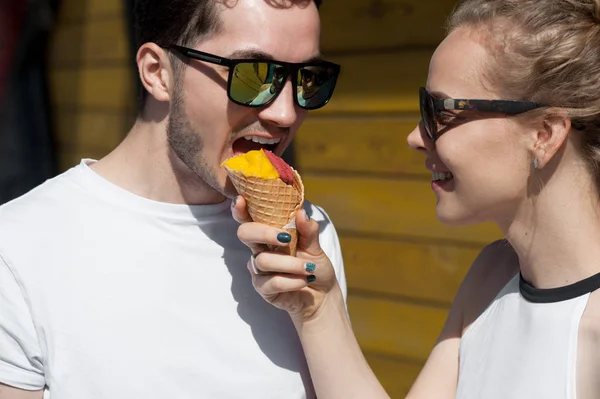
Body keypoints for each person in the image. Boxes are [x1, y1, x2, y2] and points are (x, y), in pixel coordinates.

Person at [232, 0, 600, 398]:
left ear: (544, 134)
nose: (414, 136)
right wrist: (317, 307)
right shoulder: (492, 276)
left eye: (438, 112)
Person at [0, 1, 346, 398]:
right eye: (254, 75)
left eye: (308, 78)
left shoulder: (310, 237)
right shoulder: (17, 250)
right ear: (157, 72)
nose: (286, 114)